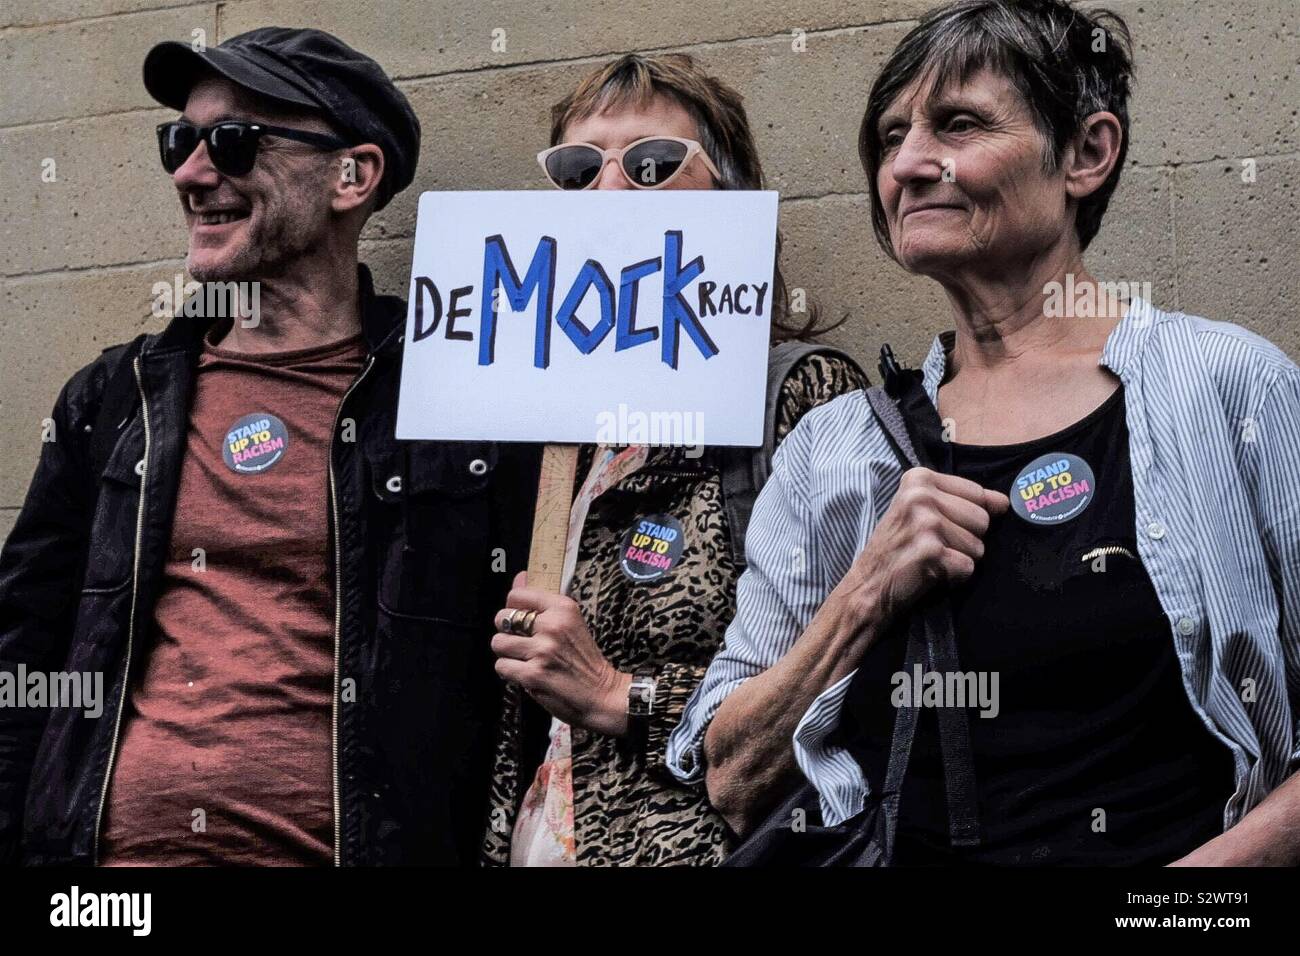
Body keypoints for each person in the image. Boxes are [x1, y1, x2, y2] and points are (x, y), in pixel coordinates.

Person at [669, 0, 1300, 865]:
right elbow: (733, 780)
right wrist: (863, 596)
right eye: (891, 138)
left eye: (958, 124)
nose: (910, 164)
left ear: (1086, 153)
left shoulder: (1231, 391)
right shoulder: (836, 449)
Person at [0, 27, 540, 866]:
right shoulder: (113, 402)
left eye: (234, 142)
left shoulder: (451, 402)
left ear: (351, 176)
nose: (191, 171)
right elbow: (23, 660)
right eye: (180, 140)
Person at [480, 53, 869, 867]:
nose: (610, 193)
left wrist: (622, 697)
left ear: (731, 204)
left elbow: (852, 688)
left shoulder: (799, 402)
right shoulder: (539, 431)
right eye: (578, 169)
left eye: (653, 165)